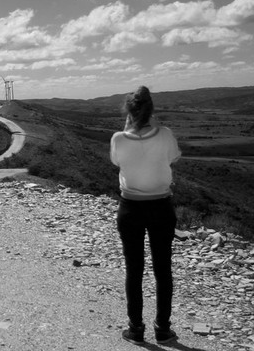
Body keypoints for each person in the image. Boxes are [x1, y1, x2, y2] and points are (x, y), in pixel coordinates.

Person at [110, 86, 180, 345]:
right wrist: (156, 129)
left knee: (134, 269)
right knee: (163, 269)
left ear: (128, 112)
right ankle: (163, 329)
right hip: (161, 206)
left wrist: (129, 129)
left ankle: (136, 329)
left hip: (130, 208)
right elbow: (173, 157)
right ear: (152, 111)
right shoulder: (166, 135)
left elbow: (117, 162)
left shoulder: (118, 138)